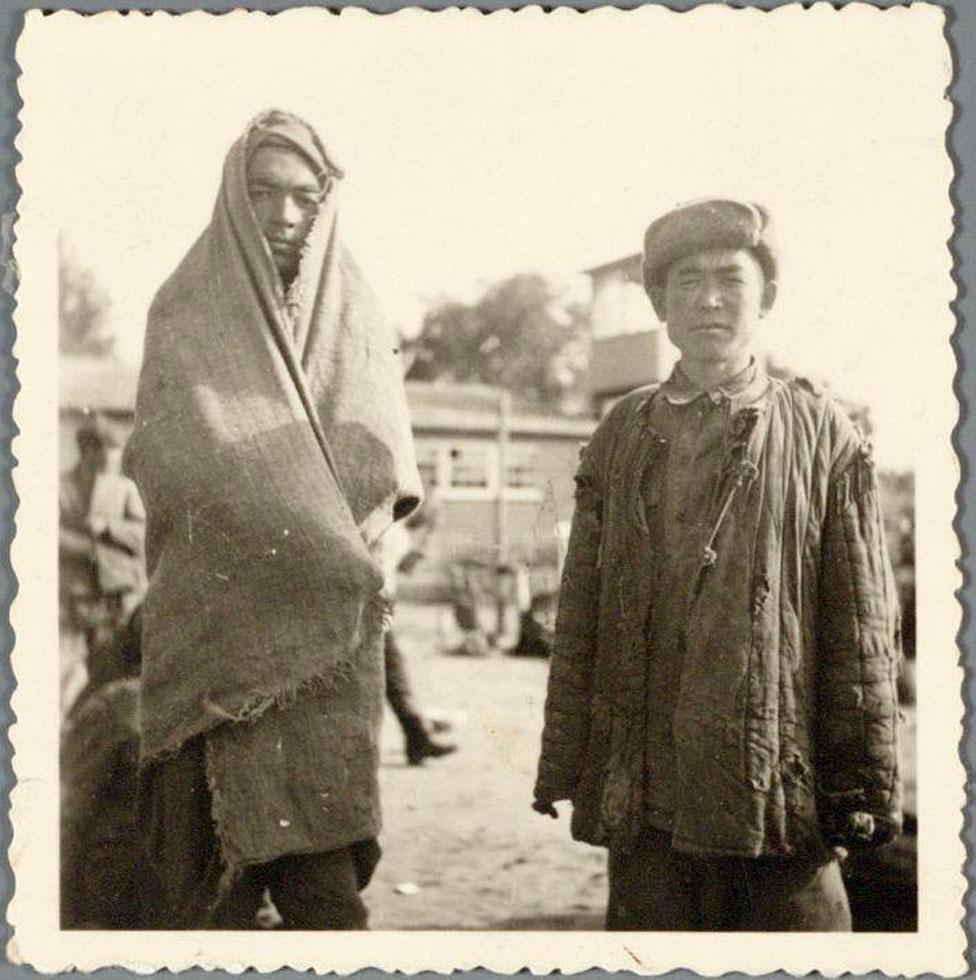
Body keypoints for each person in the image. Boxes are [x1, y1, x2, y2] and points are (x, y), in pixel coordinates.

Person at [533, 198, 902, 931]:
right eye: (686, 281)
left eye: (730, 279)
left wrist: (862, 786)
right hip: (650, 805)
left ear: (764, 297)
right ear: (660, 306)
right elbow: (581, 612)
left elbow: (860, 628)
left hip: (777, 798)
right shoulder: (620, 432)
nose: (708, 299)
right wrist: (566, 761)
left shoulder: (823, 433)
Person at [124, 110, 421, 930]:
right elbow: (176, 462)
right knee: (206, 895)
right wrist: (294, 518)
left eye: (304, 197)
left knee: (325, 895)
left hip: (324, 655)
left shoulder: (359, 309)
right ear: (233, 197)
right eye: (263, 194)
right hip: (216, 644)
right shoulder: (185, 309)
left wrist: (372, 534)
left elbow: (385, 461)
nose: (286, 218)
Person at [59, 414, 146, 713]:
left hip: (118, 596)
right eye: (105, 453)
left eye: (113, 453)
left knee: (114, 663)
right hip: (77, 596)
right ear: (87, 450)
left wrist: (109, 527)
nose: (110, 462)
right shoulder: (61, 486)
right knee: (74, 667)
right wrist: (86, 549)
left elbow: (143, 535)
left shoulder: (124, 489)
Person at [378, 505, 457, 766]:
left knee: (394, 677)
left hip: (377, 610)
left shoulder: (391, 531)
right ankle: (418, 738)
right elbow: (396, 572)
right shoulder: (396, 535)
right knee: (394, 675)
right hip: (376, 611)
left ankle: (418, 736)